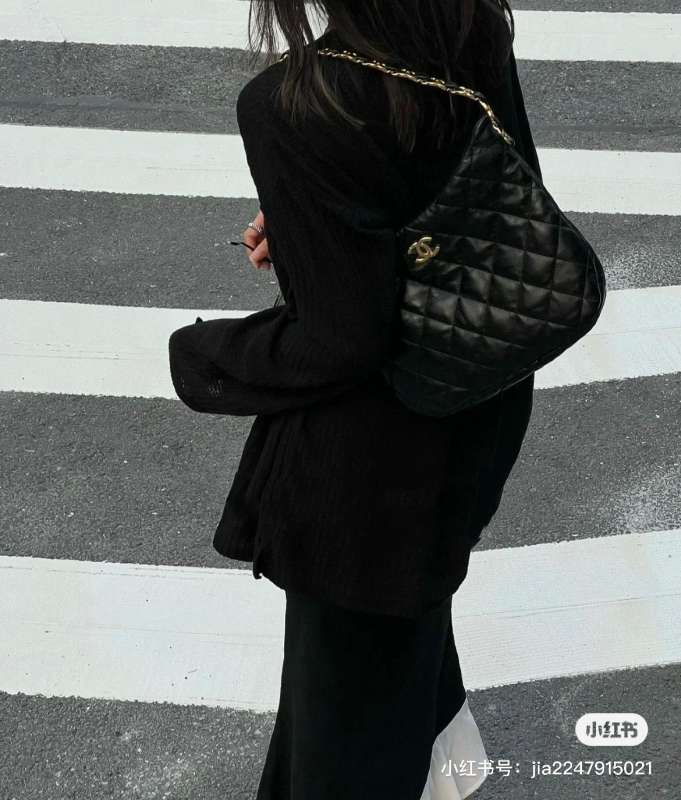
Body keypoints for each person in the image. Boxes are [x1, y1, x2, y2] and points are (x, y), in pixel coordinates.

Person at [168, 1, 542, 797]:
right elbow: (501, 202)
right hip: (473, 406)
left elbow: (342, 339)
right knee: (390, 659)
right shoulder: (467, 23)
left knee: (342, 728)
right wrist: (318, 220)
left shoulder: (291, 103)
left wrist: (203, 358)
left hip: (362, 477)